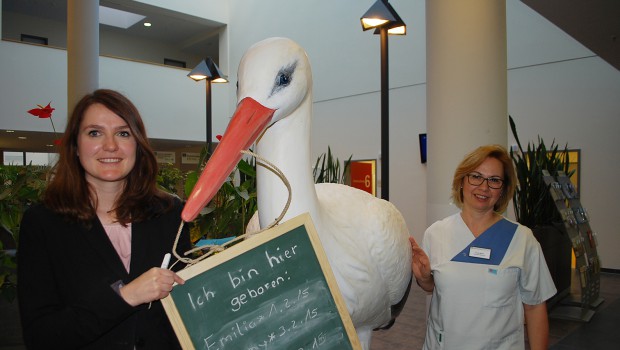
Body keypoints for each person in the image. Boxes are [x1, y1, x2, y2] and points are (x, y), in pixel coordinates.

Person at [17, 89, 192, 349]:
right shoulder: (43, 223)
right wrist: (125, 296)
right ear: (75, 146)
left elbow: (186, 307)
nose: (111, 145)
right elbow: (41, 336)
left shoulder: (168, 213)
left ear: (138, 144)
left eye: (123, 133)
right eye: (95, 133)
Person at [410, 144, 556, 350]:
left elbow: (534, 307)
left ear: (503, 189)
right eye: (476, 177)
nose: (484, 187)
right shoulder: (436, 234)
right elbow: (435, 287)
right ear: (462, 181)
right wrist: (424, 278)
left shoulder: (522, 239)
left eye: (494, 180)